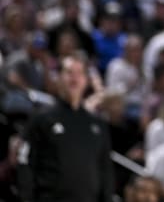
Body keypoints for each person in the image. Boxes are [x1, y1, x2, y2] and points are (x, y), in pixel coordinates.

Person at [16, 52, 115, 202]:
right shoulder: (42, 118)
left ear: (86, 81)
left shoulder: (98, 125)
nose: (74, 78)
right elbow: (25, 161)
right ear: (59, 78)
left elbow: (105, 169)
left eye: (79, 73)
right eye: (69, 72)